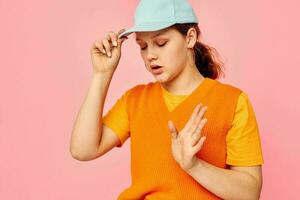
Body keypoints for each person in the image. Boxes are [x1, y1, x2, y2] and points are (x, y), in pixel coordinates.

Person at [70, 0, 264, 199]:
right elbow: (82, 150)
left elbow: (249, 193)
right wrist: (101, 74)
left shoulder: (233, 102)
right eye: (143, 46)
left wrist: (194, 165)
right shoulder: (135, 100)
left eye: (161, 43)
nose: (150, 55)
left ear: (190, 38)